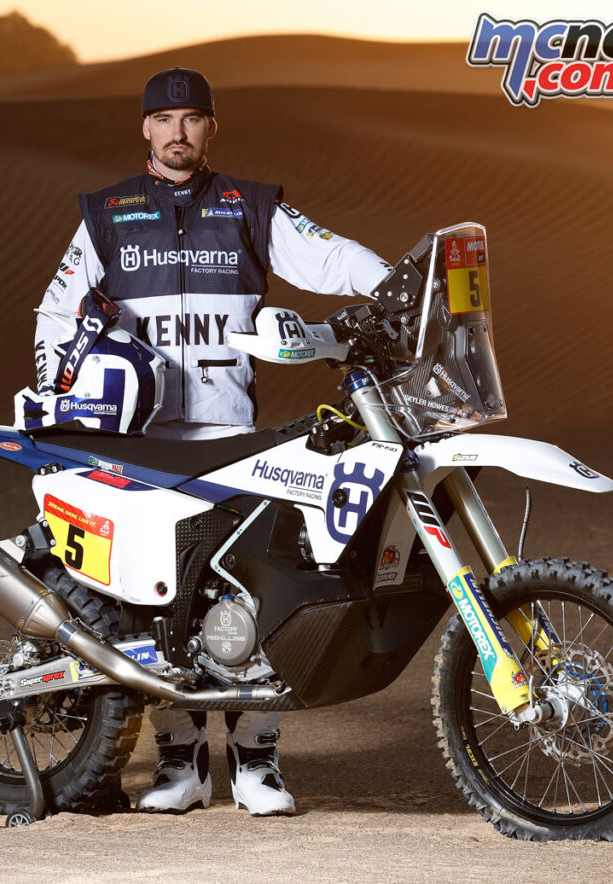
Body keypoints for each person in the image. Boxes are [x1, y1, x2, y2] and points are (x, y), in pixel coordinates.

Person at [33, 67, 392, 816]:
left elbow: (332, 257)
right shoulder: (108, 212)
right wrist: (63, 390)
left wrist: (396, 287)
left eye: (192, 119)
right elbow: (56, 313)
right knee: (152, 601)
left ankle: (257, 761)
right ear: (145, 128)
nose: (178, 132)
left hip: (233, 436)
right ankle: (182, 764)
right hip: (143, 441)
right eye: (165, 120)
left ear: (210, 128)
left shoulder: (249, 205)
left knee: (254, 591)